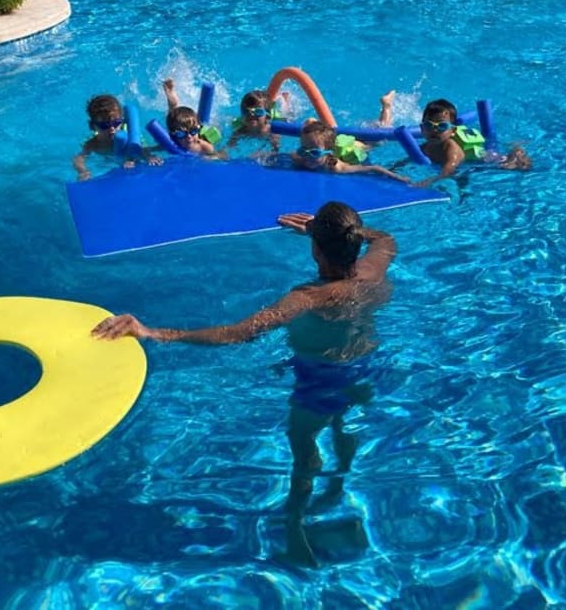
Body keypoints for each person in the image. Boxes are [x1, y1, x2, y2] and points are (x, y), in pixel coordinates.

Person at [92, 201, 396, 567]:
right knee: (344, 424)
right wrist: (335, 232)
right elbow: (386, 238)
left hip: (320, 381)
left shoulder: (309, 297)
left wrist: (155, 332)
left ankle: (296, 531)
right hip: (364, 367)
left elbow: (238, 333)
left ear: (316, 249)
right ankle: (335, 489)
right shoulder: (374, 269)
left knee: (303, 452)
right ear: (356, 244)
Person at [380, 94, 532, 185]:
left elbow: (448, 171)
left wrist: (427, 182)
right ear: (421, 128)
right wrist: (390, 171)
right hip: (466, 162)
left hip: (485, 159)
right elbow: (406, 160)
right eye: (429, 125)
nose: (434, 130)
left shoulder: (452, 151)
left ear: (452, 130)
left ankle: (517, 149)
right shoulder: (426, 146)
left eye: (441, 126)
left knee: (516, 166)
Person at [73, 93, 161, 181]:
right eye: (104, 125)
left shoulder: (130, 136)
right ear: (92, 126)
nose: (112, 128)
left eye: (116, 123)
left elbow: (142, 147)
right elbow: (78, 158)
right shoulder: (93, 144)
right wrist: (83, 171)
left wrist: (148, 157)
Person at [291, 119, 407, 182]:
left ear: (328, 153)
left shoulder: (337, 168)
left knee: (379, 140)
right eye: (303, 150)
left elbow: (374, 168)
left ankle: (386, 109)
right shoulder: (301, 158)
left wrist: (401, 178)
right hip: (334, 144)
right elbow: (289, 154)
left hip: (355, 148)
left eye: (314, 153)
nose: (307, 156)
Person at [162, 79, 224, 157]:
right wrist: (149, 157)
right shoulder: (172, 142)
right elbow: (145, 150)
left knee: (196, 125)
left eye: (193, 132)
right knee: (173, 119)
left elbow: (220, 156)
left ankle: (174, 105)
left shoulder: (203, 146)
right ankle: (173, 104)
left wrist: (210, 158)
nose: (189, 137)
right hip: (180, 128)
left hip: (201, 130)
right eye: (181, 134)